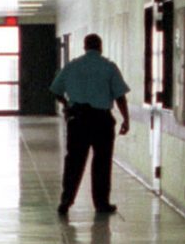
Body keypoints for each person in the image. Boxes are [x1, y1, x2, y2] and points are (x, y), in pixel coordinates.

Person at [48, 33, 131, 218]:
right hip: (101, 120)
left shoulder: (71, 66)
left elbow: (55, 90)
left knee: (74, 162)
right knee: (102, 163)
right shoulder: (109, 67)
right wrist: (126, 119)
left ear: (85, 47)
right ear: (100, 47)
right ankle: (101, 204)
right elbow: (120, 96)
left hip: (78, 120)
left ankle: (65, 201)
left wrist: (67, 105)